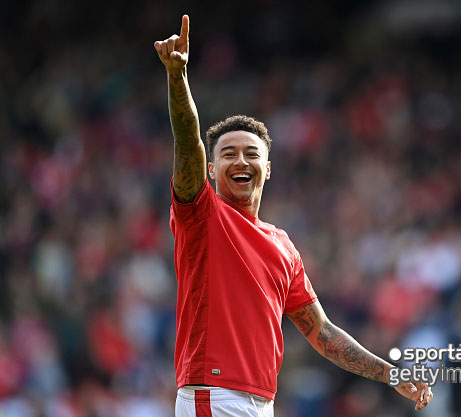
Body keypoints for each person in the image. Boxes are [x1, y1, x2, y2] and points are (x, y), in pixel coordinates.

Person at [154, 14, 434, 417]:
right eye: (228, 154)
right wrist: (178, 78)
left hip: (260, 402)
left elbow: (322, 332)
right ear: (210, 170)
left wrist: (389, 374)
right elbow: (187, 142)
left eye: (251, 153)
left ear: (267, 168)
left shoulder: (282, 245)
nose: (240, 160)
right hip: (213, 394)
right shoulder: (201, 215)